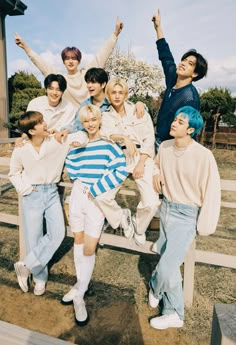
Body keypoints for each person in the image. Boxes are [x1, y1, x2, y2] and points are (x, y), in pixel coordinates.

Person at [149, 106, 221, 330]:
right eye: (175, 118)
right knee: (169, 265)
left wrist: (204, 225)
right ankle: (173, 314)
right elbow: (154, 164)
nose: (174, 123)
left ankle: (154, 288)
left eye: (180, 122)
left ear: (190, 129)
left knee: (166, 266)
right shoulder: (166, 147)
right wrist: (156, 173)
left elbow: (212, 191)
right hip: (167, 210)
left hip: (187, 214)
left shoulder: (204, 155)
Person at [9, 111, 88, 296]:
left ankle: (26, 265)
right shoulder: (21, 149)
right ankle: (39, 279)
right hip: (32, 195)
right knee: (33, 239)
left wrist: (71, 137)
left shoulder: (56, 142)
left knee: (58, 233)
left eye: (43, 120)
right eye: (40, 122)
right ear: (31, 131)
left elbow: (82, 136)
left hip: (52, 193)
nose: (45, 124)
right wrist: (25, 189)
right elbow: (14, 172)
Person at [63, 104, 129, 325]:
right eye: (86, 121)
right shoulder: (77, 144)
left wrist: (97, 188)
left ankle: (79, 294)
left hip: (95, 200)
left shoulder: (109, 146)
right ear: (82, 123)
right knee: (78, 241)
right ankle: (80, 286)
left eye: (93, 120)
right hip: (78, 197)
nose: (90, 124)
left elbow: (120, 170)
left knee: (90, 248)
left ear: (99, 119)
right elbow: (71, 168)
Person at [99, 77, 160, 246]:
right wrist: (124, 137)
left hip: (141, 157)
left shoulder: (139, 110)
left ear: (126, 94)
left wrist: (140, 164)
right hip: (118, 157)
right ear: (108, 95)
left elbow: (149, 139)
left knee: (152, 203)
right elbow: (106, 134)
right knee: (102, 196)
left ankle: (139, 227)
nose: (117, 96)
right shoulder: (106, 116)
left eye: (120, 92)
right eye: (113, 93)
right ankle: (121, 217)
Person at [14, 17, 124, 108]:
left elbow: (102, 54)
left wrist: (115, 34)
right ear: (63, 61)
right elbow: (41, 64)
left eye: (74, 58)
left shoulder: (87, 75)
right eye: (67, 58)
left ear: (79, 61)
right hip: (71, 121)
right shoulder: (61, 79)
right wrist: (25, 47)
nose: (70, 61)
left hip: (91, 118)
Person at [152, 9, 208, 152]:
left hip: (171, 146)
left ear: (195, 74)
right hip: (156, 139)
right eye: (184, 60)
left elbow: (189, 127)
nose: (183, 63)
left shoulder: (190, 97)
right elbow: (166, 56)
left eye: (190, 64)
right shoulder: (173, 78)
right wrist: (158, 28)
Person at [56, 67, 145, 141]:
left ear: (103, 84)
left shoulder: (112, 100)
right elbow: (78, 125)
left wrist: (140, 104)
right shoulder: (85, 105)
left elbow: (129, 109)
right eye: (88, 82)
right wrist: (66, 130)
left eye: (93, 82)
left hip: (116, 141)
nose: (89, 85)